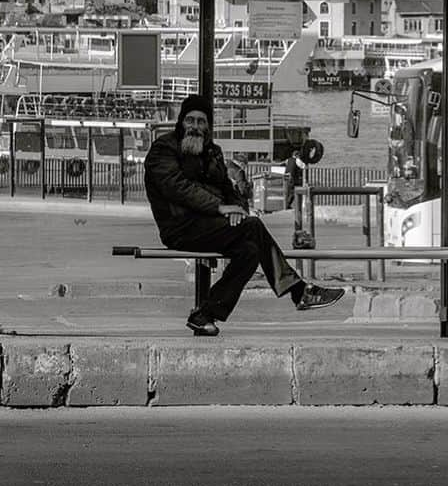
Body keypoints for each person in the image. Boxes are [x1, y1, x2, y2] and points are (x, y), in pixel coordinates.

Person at [144, 95, 344, 335]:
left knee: (250, 251)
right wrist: (220, 208)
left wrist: (237, 210)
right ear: (181, 122)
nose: (195, 126)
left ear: (208, 126)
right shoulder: (163, 150)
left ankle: (204, 315)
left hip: (212, 225)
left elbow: (229, 190)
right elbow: (178, 188)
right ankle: (299, 292)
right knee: (253, 227)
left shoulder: (212, 152)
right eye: (190, 120)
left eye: (201, 121)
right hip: (180, 227)